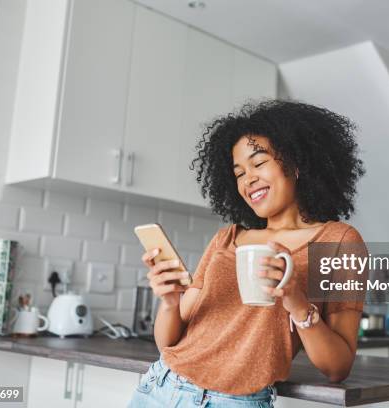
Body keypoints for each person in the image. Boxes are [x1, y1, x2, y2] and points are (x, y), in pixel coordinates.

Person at [128, 100, 367, 408]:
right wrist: (170, 302)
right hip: (160, 388)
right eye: (239, 172)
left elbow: (338, 367)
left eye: (258, 163)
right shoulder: (226, 239)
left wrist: (296, 302)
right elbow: (168, 343)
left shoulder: (340, 242)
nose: (248, 179)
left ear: (295, 163)